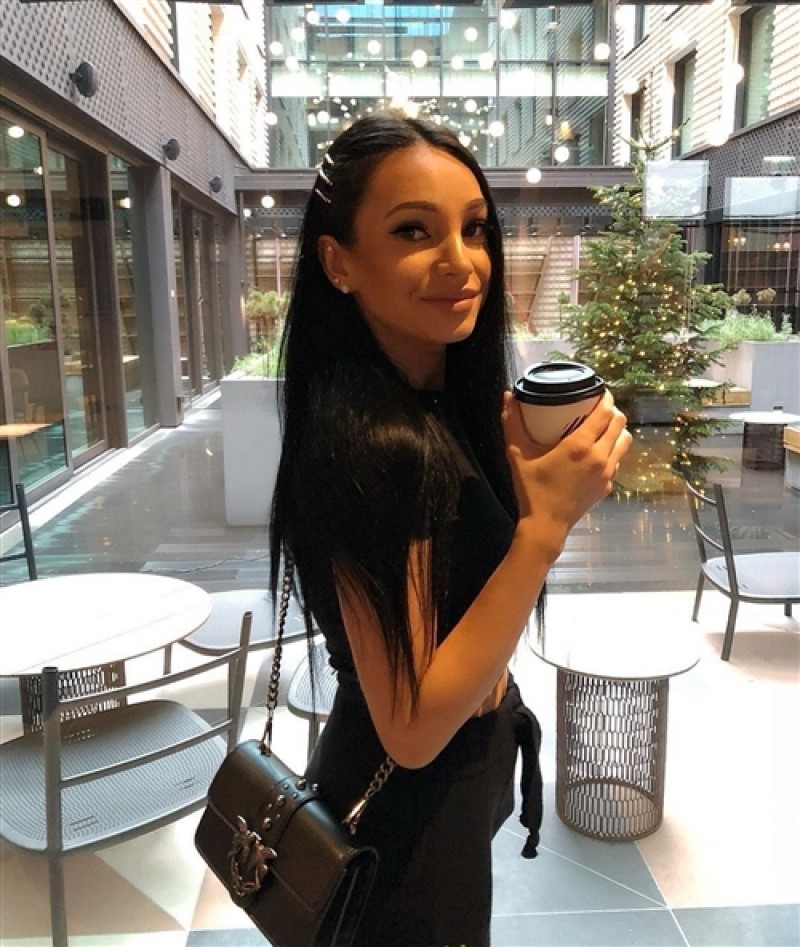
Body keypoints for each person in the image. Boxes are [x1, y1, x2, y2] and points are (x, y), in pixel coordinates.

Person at [269, 112, 631, 947]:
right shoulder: (374, 440)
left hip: (434, 809)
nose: (461, 261)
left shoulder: (434, 404)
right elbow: (412, 726)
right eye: (413, 231)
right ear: (338, 261)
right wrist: (544, 529)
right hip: (400, 838)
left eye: (474, 229)